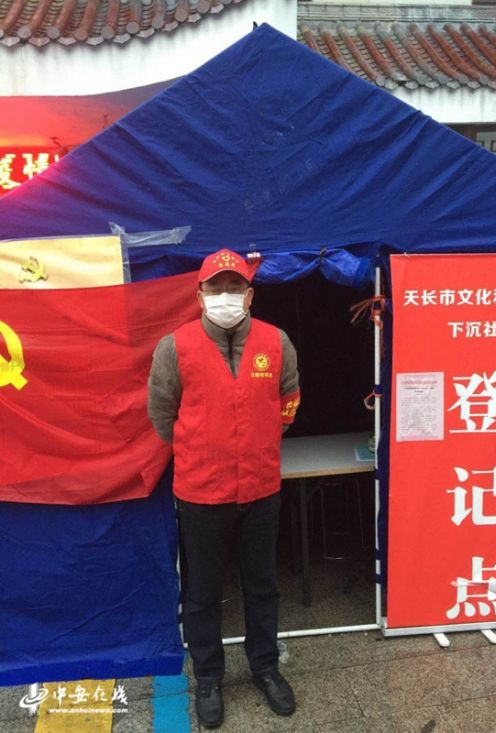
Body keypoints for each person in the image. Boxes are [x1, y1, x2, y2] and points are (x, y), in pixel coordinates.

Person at [147, 249, 300, 729]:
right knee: (202, 592)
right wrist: (205, 447)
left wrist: (255, 442)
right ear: (200, 295)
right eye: (216, 288)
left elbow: (288, 401)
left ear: (249, 294)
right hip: (201, 491)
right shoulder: (174, 347)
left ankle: (266, 668)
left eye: (235, 287)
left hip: (260, 487)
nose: (225, 296)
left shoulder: (276, 341)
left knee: (262, 585)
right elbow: (162, 414)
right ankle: (209, 678)